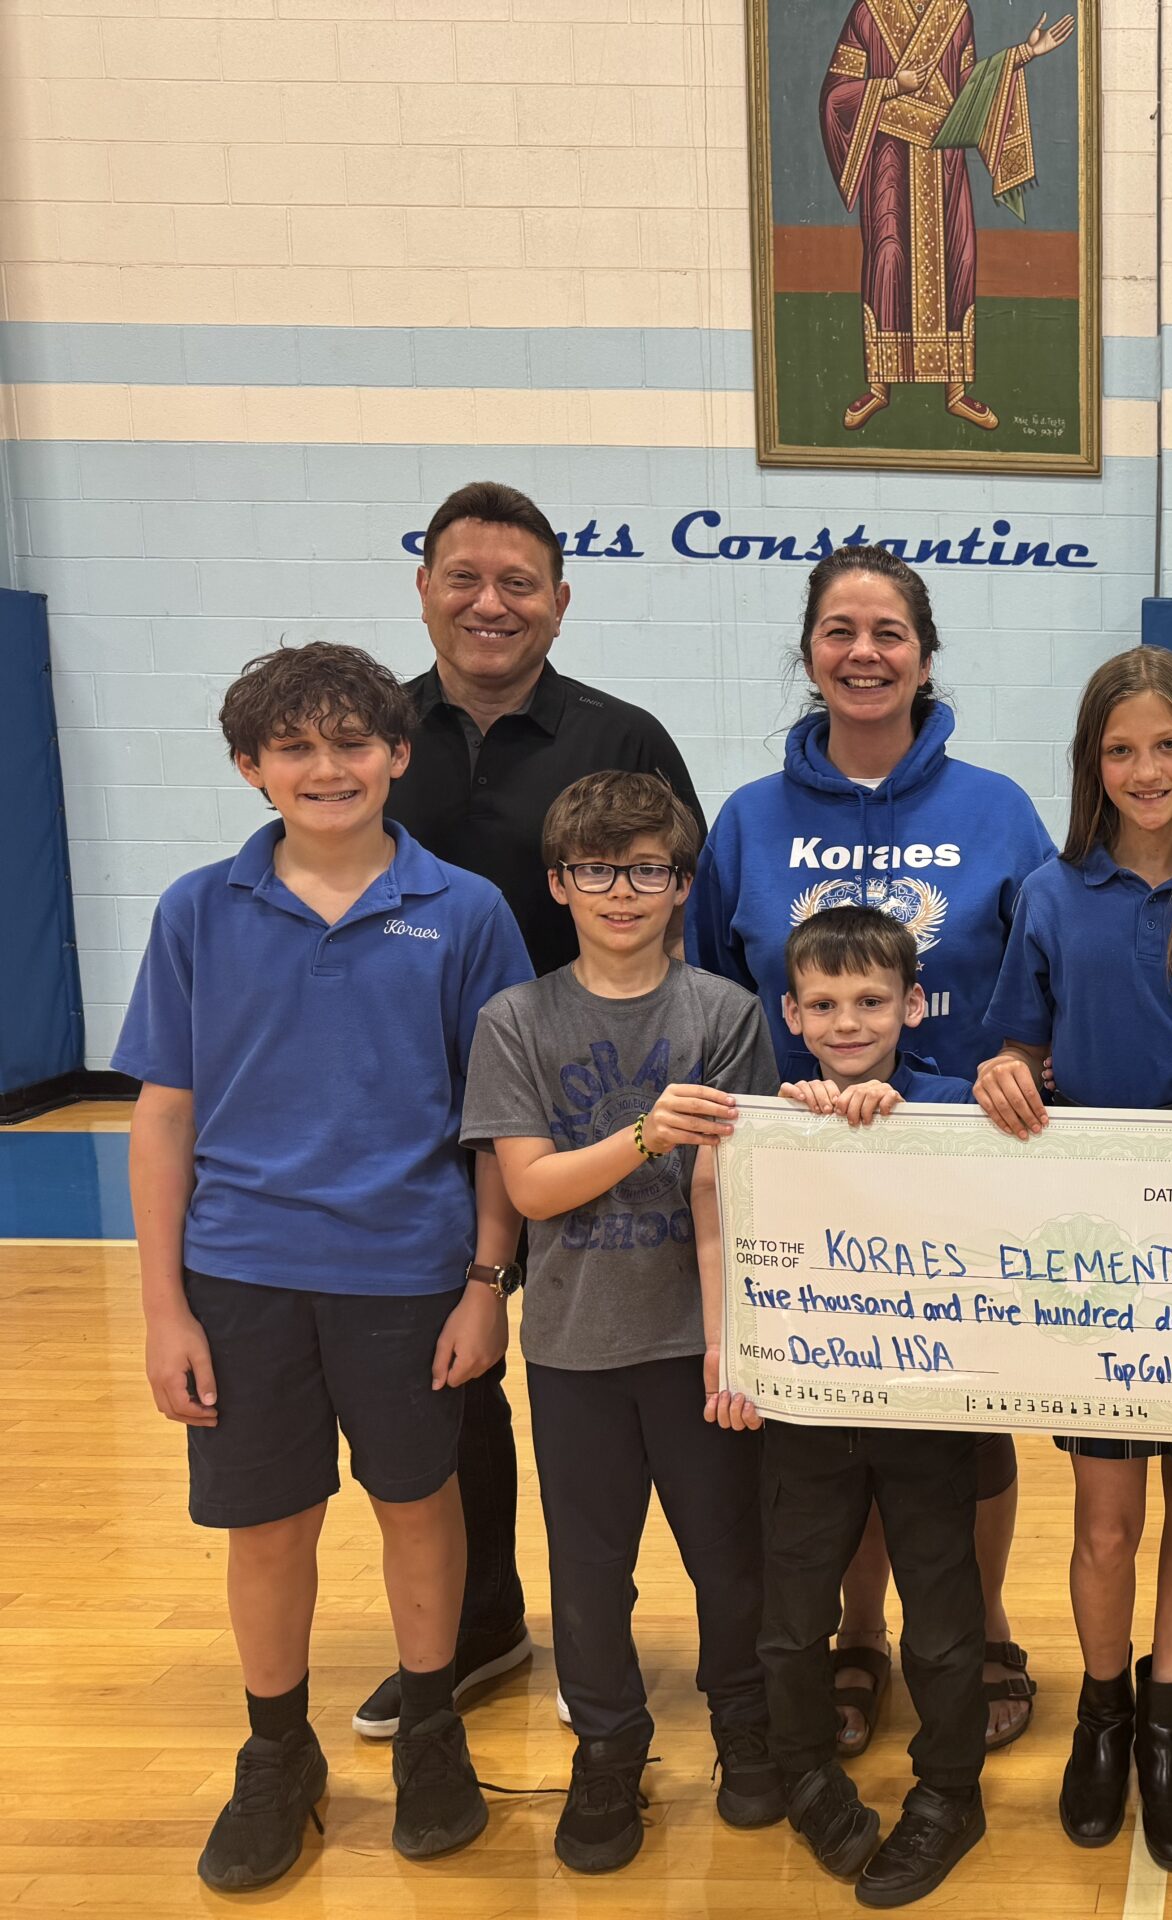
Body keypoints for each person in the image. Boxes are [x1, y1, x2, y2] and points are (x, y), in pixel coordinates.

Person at [119, 643, 532, 1890]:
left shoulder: (466, 911)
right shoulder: (198, 910)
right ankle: (276, 1753)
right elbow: (164, 1118)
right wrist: (163, 1311)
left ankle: (434, 1733)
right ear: (251, 767)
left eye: (351, 741)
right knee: (267, 1525)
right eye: (294, 747)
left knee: (418, 1504)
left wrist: (485, 1283)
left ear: (397, 753)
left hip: (410, 1274)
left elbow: (499, 1121)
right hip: (242, 1276)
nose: (326, 767)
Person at [690, 542, 1054, 1758]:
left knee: (967, 1422)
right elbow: (713, 994)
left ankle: (984, 1626)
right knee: (831, 1418)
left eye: (889, 632)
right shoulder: (749, 820)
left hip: (955, 1163)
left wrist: (1015, 1071)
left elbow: (1041, 977)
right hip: (802, 1171)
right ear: (808, 654)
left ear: (925, 655)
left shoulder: (998, 809)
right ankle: (858, 1635)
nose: (864, 653)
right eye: (839, 631)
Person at [366, 478, 703, 1741]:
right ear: (424, 588)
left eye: (518, 583)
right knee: (453, 1376)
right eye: (464, 577)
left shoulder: (624, 735)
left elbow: (686, 917)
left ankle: (611, 1635)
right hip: (414, 1121)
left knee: (606, 1376)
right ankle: (479, 1623)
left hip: (596, 1120)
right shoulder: (376, 738)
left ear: (561, 602)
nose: (490, 603)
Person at [974, 646, 1172, 1872]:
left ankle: (1168, 1724)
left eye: (1166, 745)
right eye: (1120, 750)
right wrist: (1005, 1072)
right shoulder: (1051, 895)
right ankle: (1100, 1715)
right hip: (1097, 1256)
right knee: (1105, 1518)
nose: (1144, 769)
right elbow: (1017, 1048)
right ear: (1092, 764)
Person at [457, 771, 783, 1872]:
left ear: (682, 884)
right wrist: (646, 1134)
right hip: (574, 1346)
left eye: (647, 870)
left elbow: (745, 1193)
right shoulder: (515, 1020)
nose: (622, 892)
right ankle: (608, 1746)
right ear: (558, 884)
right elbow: (531, 1188)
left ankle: (744, 1723)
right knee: (590, 1570)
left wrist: (736, 1339)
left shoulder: (725, 1015)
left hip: (700, 1347)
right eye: (596, 870)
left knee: (729, 1560)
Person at [706, 906, 994, 1906]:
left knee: (943, 1622)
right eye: (822, 1004)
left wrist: (906, 1123)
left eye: (870, 1001)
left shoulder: (955, 1104)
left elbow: (1005, 1202)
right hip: (805, 1414)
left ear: (912, 1005)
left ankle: (951, 1791)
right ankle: (804, 1774)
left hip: (926, 1413)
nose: (847, 1023)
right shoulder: (773, 1117)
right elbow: (723, 1215)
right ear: (790, 1013)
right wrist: (795, 1134)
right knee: (791, 1622)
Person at [819, 0, 1076, 432]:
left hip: (945, 161)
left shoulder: (956, 12)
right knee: (887, 258)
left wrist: (1024, 54)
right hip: (889, 158)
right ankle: (879, 387)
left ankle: (955, 390)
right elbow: (836, 93)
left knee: (957, 260)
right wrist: (890, 86)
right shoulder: (868, 12)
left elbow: (970, 89)